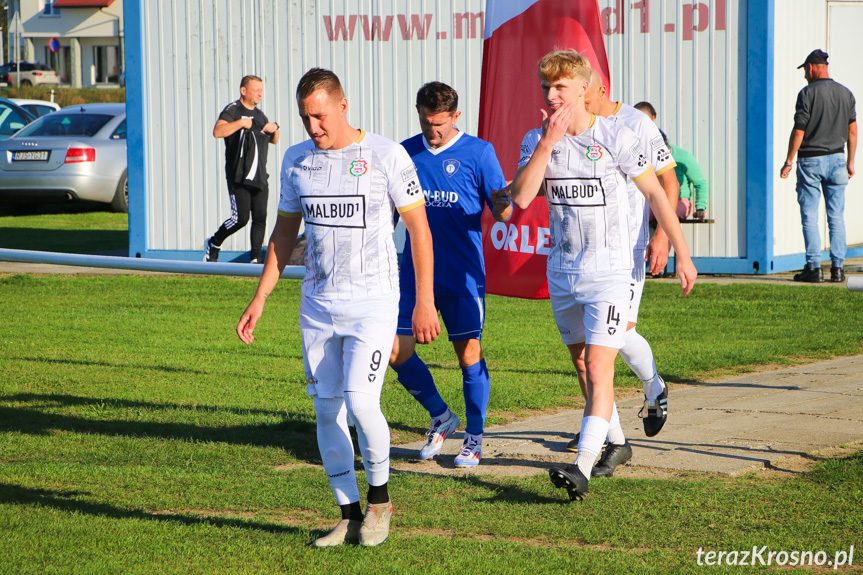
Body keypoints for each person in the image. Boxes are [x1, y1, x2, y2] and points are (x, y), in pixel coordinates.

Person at [236, 68, 440, 547]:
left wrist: (424, 301)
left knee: (362, 402)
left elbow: (419, 232)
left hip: (372, 302)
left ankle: (381, 504)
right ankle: (347, 514)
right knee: (327, 411)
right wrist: (261, 296)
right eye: (306, 118)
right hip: (317, 305)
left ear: (343, 106)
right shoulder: (297, 160)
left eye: (321, 117)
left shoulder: (386, 156)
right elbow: (285, 234)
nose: (314, 128)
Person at [494, 50, 696, 501]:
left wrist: (680, 250)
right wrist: (547, 143)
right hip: (563, 271)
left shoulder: (620, 136)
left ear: (584, 88)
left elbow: (660, 195)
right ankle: (618, 442)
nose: (551, 96)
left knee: (603, 365)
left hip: (612, 270)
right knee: (583, 364)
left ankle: (582, 464)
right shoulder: (536, 139)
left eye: (560, 87)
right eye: (546, 88)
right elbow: (522, 199)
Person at [560, 71, 679, 479]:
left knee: (617, 336)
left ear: (598, 89)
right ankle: (615, 441)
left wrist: (661, 236)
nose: (577, 102)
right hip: (578, 261)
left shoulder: (635, 125)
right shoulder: (567, 127)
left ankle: (652, 386)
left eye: (583, 93)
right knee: (589, 359)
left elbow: (668, 181)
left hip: (623, 252)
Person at [391, 82, 512, 468]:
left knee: (468, 355)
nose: (433, 131)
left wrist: (507, 196)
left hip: (462, 275)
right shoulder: (404, 152)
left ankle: (474, 437)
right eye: (426, 122)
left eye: (440, 124)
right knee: (396, 350)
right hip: (413, 274)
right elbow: (387, 215)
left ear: (456, 116)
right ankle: (441, 416)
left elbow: (505, 212)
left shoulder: (479, 152)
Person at [780, 49, 856, 283]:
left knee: (810, 216)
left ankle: (814, 268)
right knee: (836, 216)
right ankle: (838, 269)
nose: (804, 75)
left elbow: (799, 131)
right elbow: (852, 131)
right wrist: (850, 161)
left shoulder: (806, 93)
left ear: (811, 67)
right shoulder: (846, 93)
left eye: (805, 70)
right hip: (837, 159)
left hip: (811, 160)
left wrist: (789, 161)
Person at [205, 75, 280, 263]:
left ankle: (255, 258)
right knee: (241, 218)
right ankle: (214, 242)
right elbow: (217, 131)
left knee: (260, 217)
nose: (260, 94)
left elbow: (274, 140)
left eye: (261, 90)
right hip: (238, 175)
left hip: (259, 175)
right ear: (243, 91)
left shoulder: (261, 115)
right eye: (256, 90)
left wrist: (275, 128)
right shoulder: (233, 110)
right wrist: (241, 123)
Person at [634, 102, 709, 220]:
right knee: (639, 211)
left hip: (679, 200)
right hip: (655, 200)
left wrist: (700, 207)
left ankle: (664, 238)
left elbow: (700, 183)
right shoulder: (644, 156)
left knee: (661, 212)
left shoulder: (683, 157)